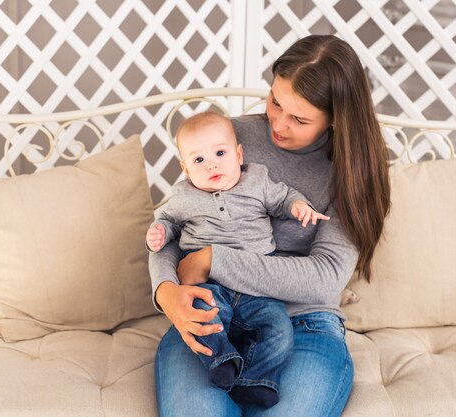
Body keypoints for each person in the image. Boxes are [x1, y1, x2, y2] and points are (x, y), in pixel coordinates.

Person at [151, 34, 391, 417]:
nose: (278, 123)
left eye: (299, 118)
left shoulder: (351, 174)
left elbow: (324, 277)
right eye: (275, 102)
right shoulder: (228, 140)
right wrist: (165, 291)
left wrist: (215, 260)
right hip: (214, 312)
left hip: (305, 324)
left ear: (335, 119)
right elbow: (173, 224)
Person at [146, 111, 329, 408]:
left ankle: (256, 380)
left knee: (279, 331)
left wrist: (298, 206)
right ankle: (222, 360)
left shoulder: (257, 179)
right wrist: (159, 233)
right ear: (185, 168)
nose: (212, 164)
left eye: (220, 153)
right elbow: (168, 221)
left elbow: (282, 198)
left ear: (239, 153)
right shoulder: (183, 195)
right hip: (210, 284)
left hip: (259, 288)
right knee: (206, 319)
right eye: (199, 160)